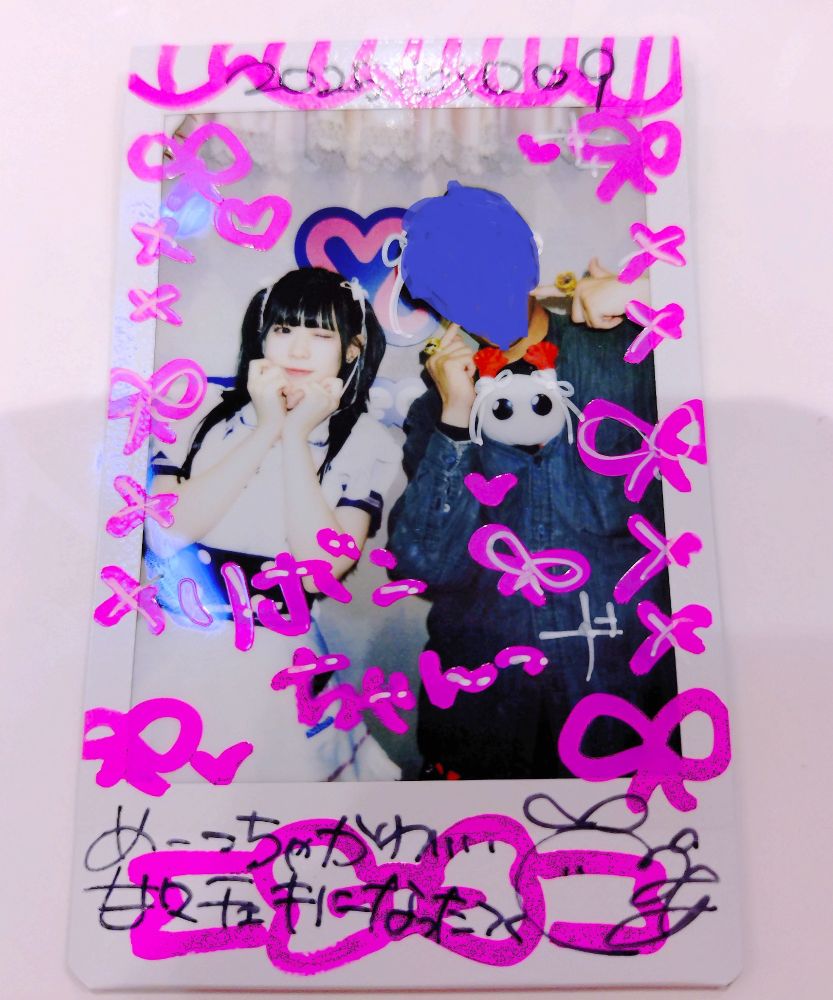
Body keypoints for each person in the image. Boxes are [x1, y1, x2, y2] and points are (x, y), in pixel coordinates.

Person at [387, 260, 679, 780]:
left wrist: (652, 291)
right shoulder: (439, 405)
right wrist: (456, 418)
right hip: (488, 724)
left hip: (627, 709)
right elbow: (424, 565)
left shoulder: (631, 349)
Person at [134, 266, 402, 782]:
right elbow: (169, 533)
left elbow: (320, 569)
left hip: (275, 669)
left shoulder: (366, 442)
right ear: (262, 335)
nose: (297, 351)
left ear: (352, 349)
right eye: (283, 330)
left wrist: (296, 438)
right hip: (169, 652)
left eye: (320, 335)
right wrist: (265, 429)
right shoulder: (196, 408)